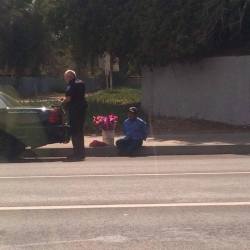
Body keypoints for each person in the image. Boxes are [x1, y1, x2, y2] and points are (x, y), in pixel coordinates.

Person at [62, 70, 87, 161]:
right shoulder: (81, 83)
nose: (65, 79)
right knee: (79, 132)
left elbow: (68, 98)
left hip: (74, 111)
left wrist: (62, 102)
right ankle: (81, 153)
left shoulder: (71, 85)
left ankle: (77, 154)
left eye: (66, 77)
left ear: (70, 76)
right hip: (81, 110)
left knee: (75, 132)